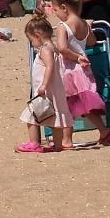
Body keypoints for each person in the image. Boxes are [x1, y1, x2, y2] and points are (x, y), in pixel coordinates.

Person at [46, 0, 110, 143]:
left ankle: (66, 139)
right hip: (84, 70)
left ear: (64, 7)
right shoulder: (84, 24)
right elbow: (91, 42)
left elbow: (62, 48)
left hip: (70, 70)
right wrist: (88, 28)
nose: (55, 13)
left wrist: (75, 56)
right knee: (84, 104)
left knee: (66, 104)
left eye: (55, 9)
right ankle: (104, 131)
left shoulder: (63, 27)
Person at [16, 14, 70, 154]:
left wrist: (43, 85)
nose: (32, 43)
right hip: (55, 90)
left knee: (32, 116)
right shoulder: (52, 47)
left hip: (46, 90)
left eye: (31, 39)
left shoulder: (45, 50)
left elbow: (49, 67)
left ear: (37, 36)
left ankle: (34, 143)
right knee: (55, 119)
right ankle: (58, 145)